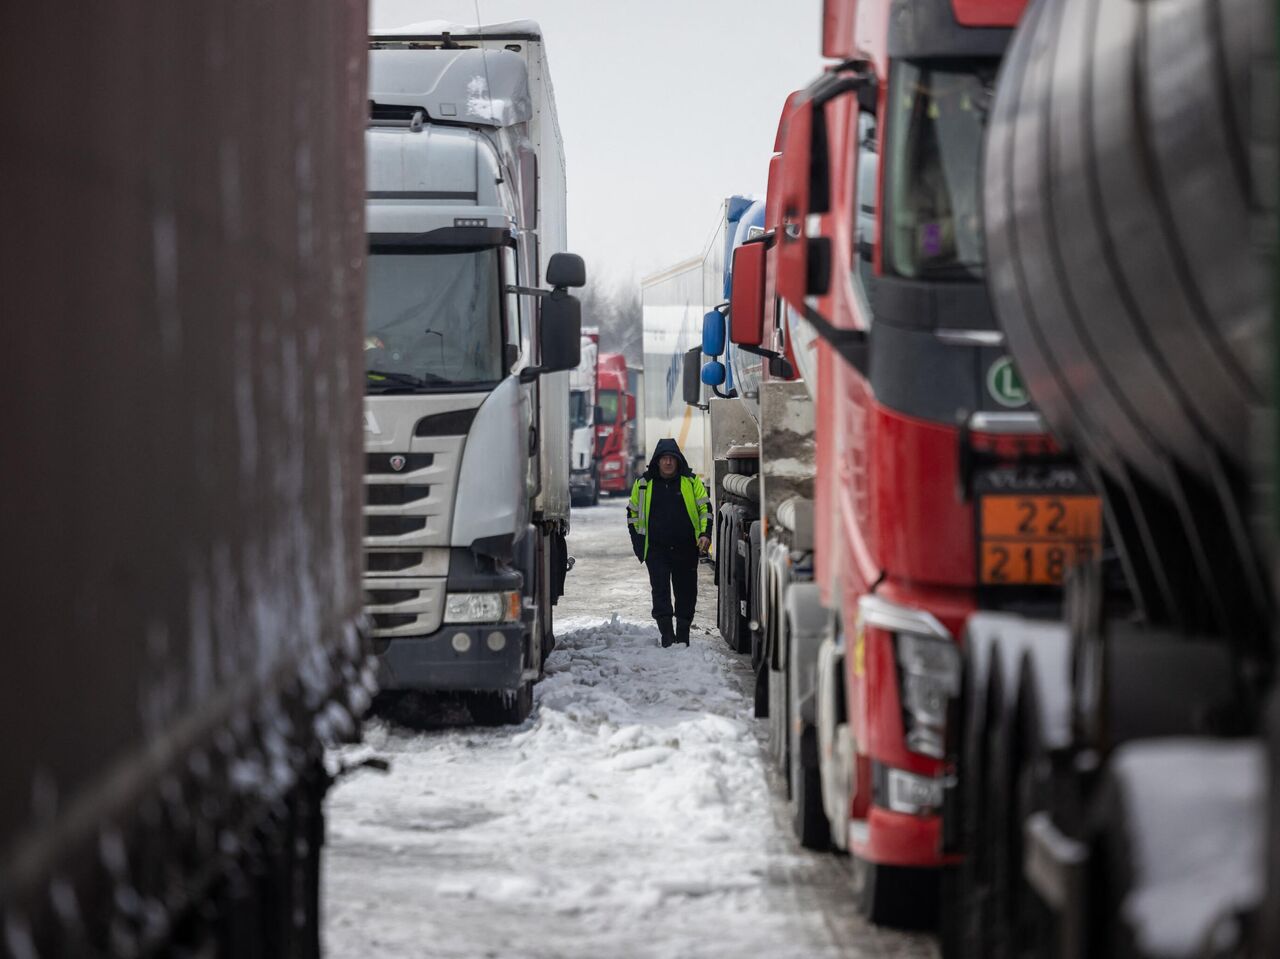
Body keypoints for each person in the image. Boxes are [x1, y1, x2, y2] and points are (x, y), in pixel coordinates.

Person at [626, 438, 711, 647]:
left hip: (686, 549)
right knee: (661, 592)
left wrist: (705, 534)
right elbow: (632, 515)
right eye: (664, 458)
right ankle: (666, 634)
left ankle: (683, 634)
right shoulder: (643, 484)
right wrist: (639, 545)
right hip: (656, 550)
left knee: (687, 592)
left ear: (678, 460)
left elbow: (705, 510)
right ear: (657, 461)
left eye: (672, 458)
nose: (668, 463)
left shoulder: (691, 482)